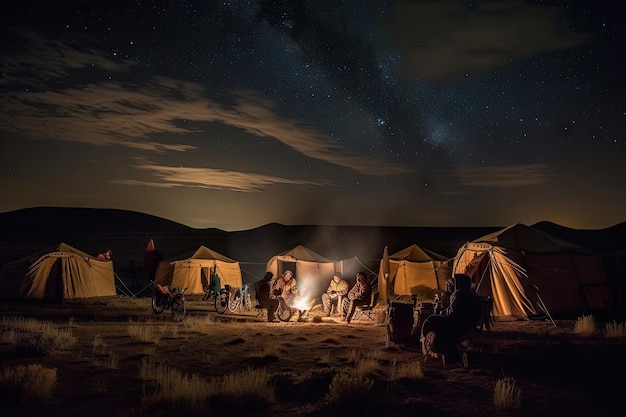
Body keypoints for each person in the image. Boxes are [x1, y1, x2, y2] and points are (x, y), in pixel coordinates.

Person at [420, 273, 482, 358]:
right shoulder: (473, 295)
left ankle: (426, 343)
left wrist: (443, 312)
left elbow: (454, 313)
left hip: (458, 323)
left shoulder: (459, 294)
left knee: (430, 319)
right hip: (469, 323)